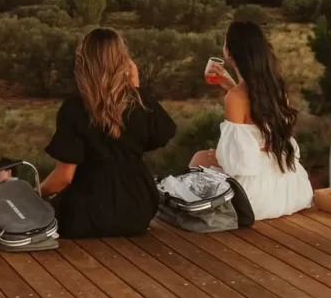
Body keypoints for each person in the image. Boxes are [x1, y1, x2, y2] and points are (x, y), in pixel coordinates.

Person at [41, 27, 177, 238]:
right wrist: (136, 90)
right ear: (123, 61)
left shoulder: (75, 108)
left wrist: (36, 193)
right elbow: (158, 136)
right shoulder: (141, 103)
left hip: (85, 212)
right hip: (138, 208)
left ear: (83, 63)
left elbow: (64, 177)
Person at [190, 20, 313, 220]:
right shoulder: (276, 87)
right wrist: (231, 84)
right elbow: (256, 113)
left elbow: (236, 161)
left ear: (228, 52)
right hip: (291, 188)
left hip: (255, 198)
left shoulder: (236, 98)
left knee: (199, 158)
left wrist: (214, 155)